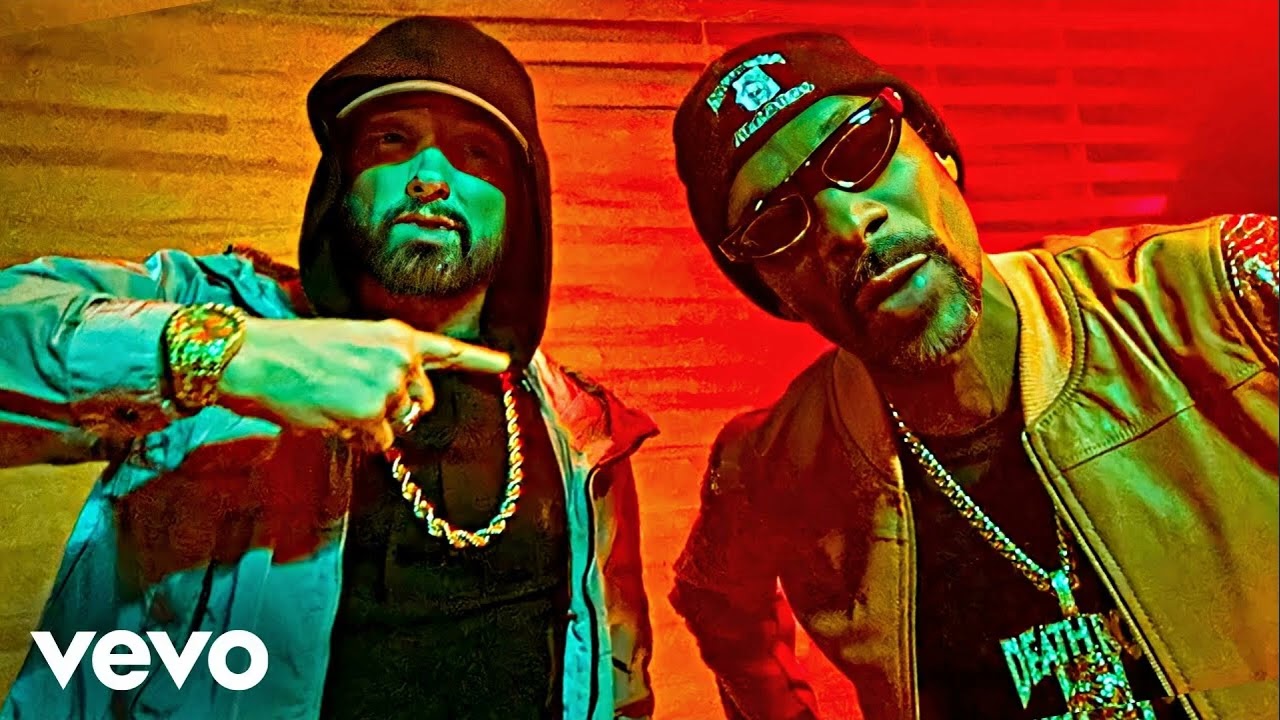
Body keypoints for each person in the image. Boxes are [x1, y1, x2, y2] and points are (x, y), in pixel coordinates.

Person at [0, 17, 657, 720]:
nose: (430, 179)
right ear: (342, 181)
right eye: (392, 141)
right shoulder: (224, 314)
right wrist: (229, 357)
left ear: (521, 205)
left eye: (476, 153)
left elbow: (618, 681)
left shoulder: (581, 432)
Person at [668, 31, 1277, 720]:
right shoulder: (771, 468)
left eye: (859, 150)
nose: (848, 222)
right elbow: (714, 603)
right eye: (776, 223)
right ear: (772, 292)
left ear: (939, 151)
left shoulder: (1224, 295)